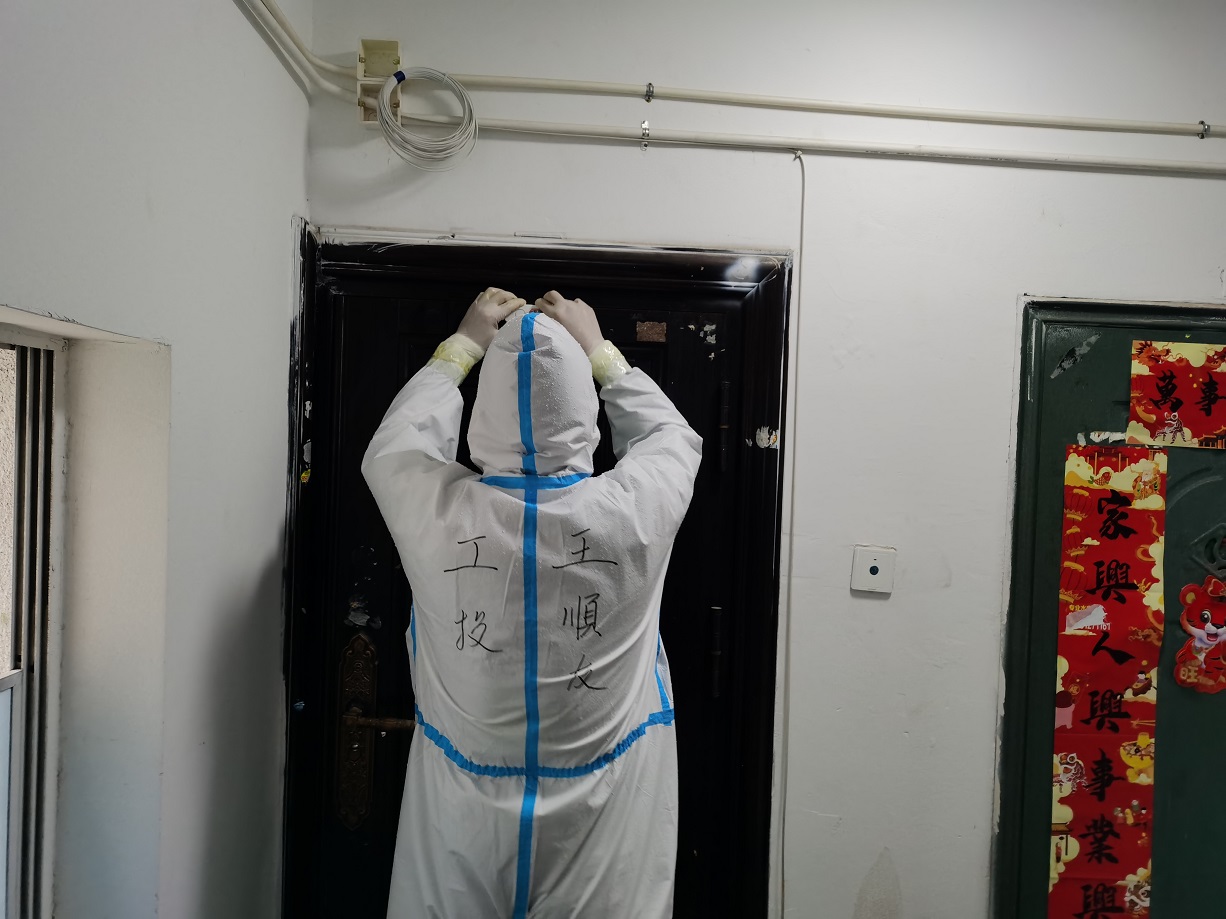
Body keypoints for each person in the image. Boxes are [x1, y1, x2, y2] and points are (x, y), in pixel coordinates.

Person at [362, 287, 702, 918]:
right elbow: (671, 438)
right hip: (601, 818)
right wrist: (601, 351)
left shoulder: (438, 510)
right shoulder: (632, 510)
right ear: (582, 410)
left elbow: (394, 450)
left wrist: (462, 347)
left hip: (463, 818)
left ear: (482, 414)